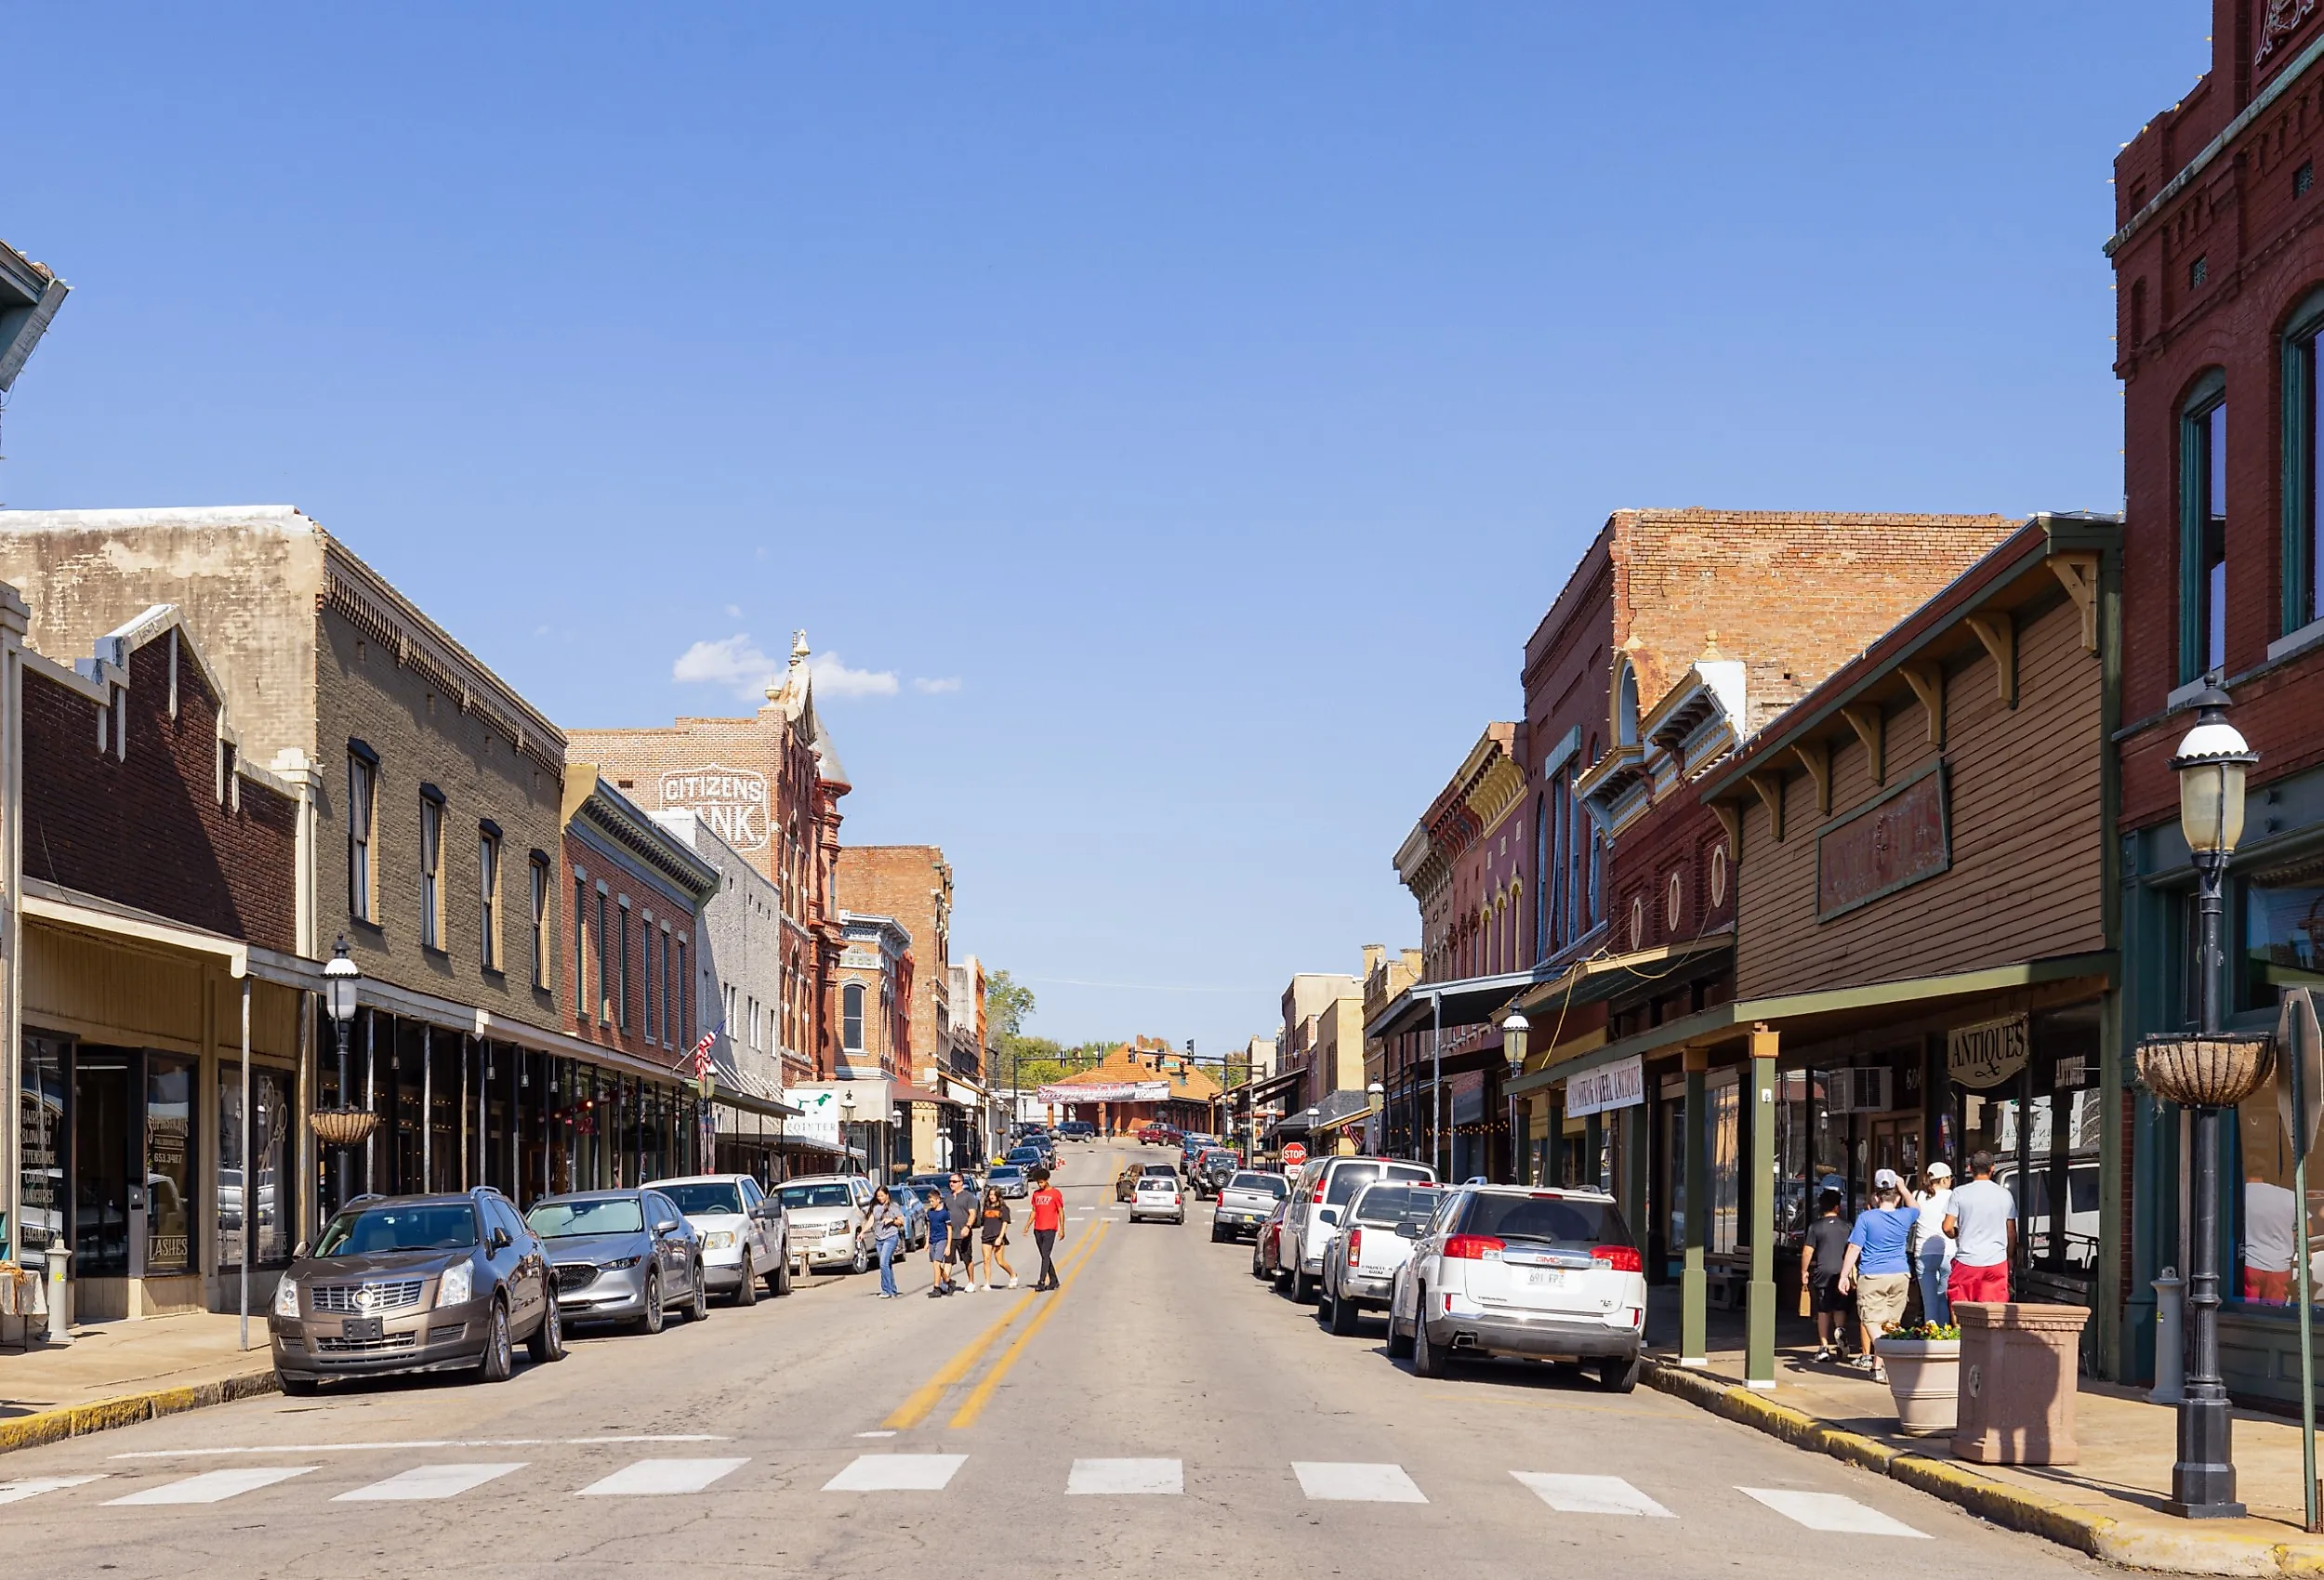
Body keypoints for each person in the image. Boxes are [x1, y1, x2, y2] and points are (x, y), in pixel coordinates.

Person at [1838, 1169, 1918, 1379]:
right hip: (1900, 1274)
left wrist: (1844, 1275)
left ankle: (1889, 1358)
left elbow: (1854, 1248)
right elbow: (1916, 1207)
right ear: (1897, 1195)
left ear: (1875, 1196)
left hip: (1872, 1275)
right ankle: (1878, 1368)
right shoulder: (1905, 1215)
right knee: (1891, 1324)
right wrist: (1902, 1184)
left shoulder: (1866, 1218)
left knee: (1872, 1322)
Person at [1942, 1151, 2019, 1309]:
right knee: (1993, 1310)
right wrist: (2009, 1256)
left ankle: (1960, 1334)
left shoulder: (1959, 1193)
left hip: (1967, 1261)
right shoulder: (2005, 1195)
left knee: (1960, 1305)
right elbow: (2011, 1232)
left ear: (1970, 1168)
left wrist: (1956, 1234)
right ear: (1992, 1168)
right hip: (1996, 1261)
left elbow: (1947, 1227)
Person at [1800, 1188, 1853, 1362]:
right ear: (1837, 1207)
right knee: (1840, 1307)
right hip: (1842, 1272)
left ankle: (1823, 1347)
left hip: (1823, 1272)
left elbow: (1808, 1251)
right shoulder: (1847, 1227)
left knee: (1823, 1310)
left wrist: (1804, 1271)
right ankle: (1840, 1331)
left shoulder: (1815, 1227)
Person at [1913, 1162, 1957, 1323]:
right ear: (1944, 1179)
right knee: (1945, 1300)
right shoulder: (1953, 1195)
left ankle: (1931, 1339)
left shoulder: (1917, 1195)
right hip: (1948, 1251)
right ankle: (1945, 1336)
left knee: (1929, 1303)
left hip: (1923, 1252)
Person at [862, 1185, 906, 1299]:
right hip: (879, 1239)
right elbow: (871, 1221)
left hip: (891, 1237)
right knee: (887, 1264)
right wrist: (862, 1232)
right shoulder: (876, 1208)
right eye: (878, 1196)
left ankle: (886, 1290)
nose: (880, 1198)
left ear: (887, 1195)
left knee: (883, 1263)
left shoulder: (893, 1206)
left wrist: (891, 1220)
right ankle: (893, 1289)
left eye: (882, 1195)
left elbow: (901, 1221)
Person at [1028, 1168, 1065, 1290]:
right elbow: (1034, 1211)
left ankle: (1042, 1281)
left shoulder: (1055, 1193)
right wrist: (1027, 1226)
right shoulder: (1036, 1194)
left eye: (1042, 1182)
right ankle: (1054, 1280)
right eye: (1038, 1183)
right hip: (1038, 1228)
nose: (1040, 1185)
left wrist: (1062, 1229)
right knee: (1045, 1256)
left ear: (1047, 1180)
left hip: (1050, 1228)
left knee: (1045, 1255)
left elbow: (1060, 1211)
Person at [945, 1172, 983, 1291]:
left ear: (961, 1183)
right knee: (948, 1260)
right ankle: (946, 1283)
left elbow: (972, 1214)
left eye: (954, 1182)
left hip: (963, 1234)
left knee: (967, 1259)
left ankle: (971, 1282)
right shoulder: (947, 1198)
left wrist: (968, 1226)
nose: (952, 1184)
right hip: (951, 1235)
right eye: (950, 1181)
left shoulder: (969, 1197)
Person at [980, 1186, 1018, 1289]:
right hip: (986, 1236)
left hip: (997, 1236)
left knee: (1000, 1261)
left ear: (998, 1196)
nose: (992, 1197)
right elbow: (982, 1221)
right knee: (986, 1260)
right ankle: (987, 1283)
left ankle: (1012, 1274)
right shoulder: (986, 1207)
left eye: (994, 1195)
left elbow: (1005, 1223)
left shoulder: (1003, 1208)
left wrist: (1000, 1237)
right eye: (990, 1195)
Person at [923, 1190, 955, 1297]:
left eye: (932, 1201)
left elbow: (949, 1229)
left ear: (938, 1200)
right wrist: (927, 1242)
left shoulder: (945, 1213)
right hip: (932, 1240)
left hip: (942, 1240)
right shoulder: (930, 1213)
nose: (931, 1203)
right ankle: (949, 1282)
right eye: (929, 1201)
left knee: (937, 1264)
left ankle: (936, 1288)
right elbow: (929, 1228)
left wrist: (948, 1246)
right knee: (936, 1266)